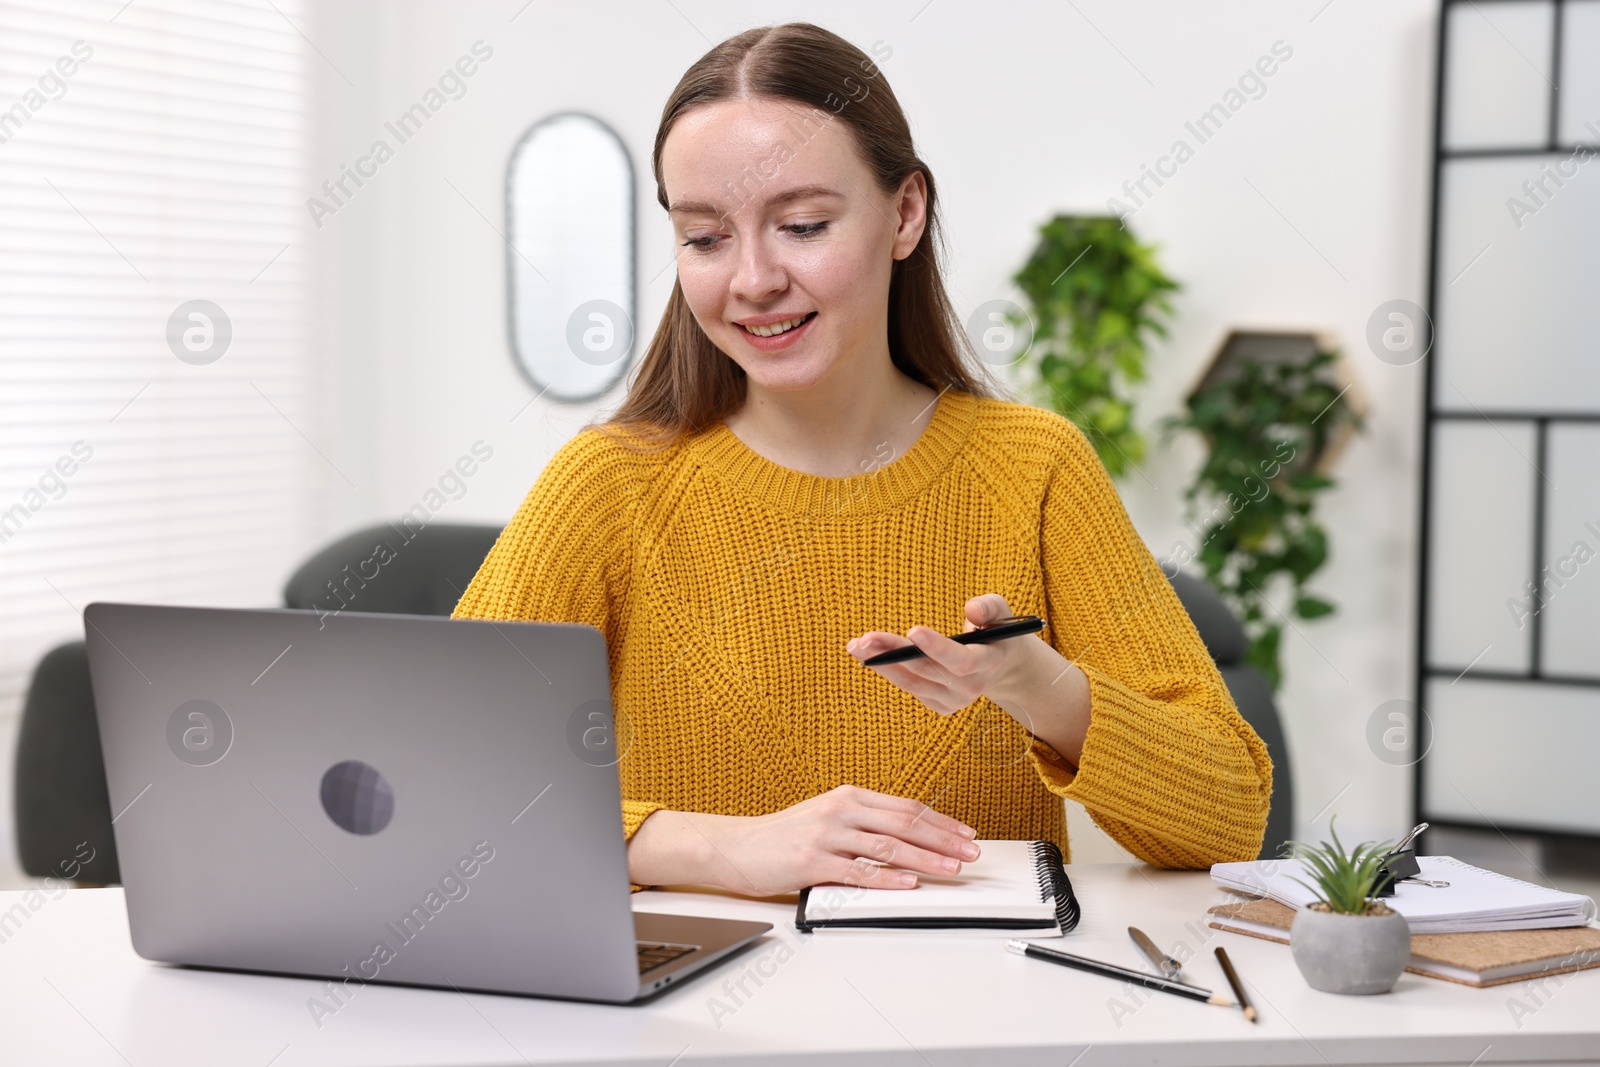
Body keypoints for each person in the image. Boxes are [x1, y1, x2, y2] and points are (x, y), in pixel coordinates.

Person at [453, 22, 1272, 896]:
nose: (754, 278)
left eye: (803, 225)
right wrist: (724, 850)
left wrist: (1041, 685)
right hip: (690, 1019)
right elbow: (442, 781)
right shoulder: (610, 483)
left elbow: (1226, 818)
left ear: (905, 214)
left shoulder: (1034, 468)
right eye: (705, 238)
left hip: (978, 1009)